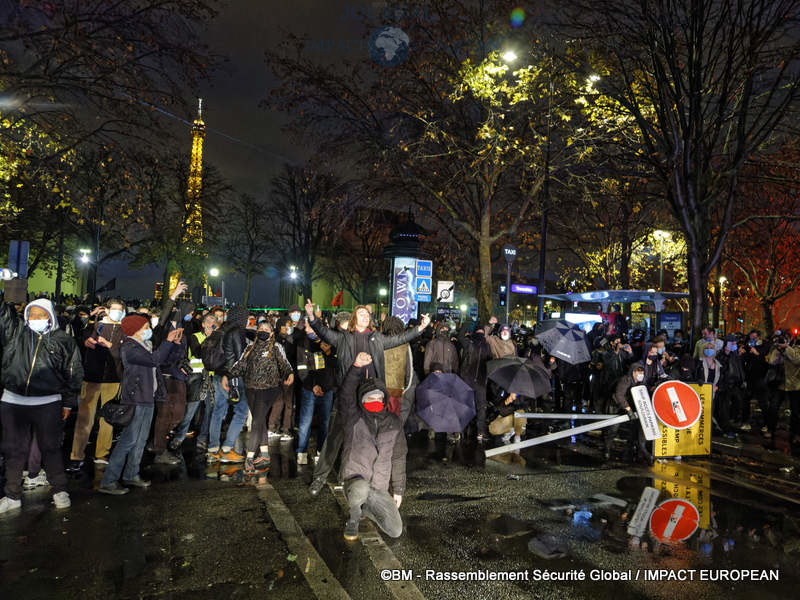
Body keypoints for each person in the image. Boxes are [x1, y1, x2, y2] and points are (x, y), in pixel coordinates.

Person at [306, 301, 429, 497]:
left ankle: (355, 479)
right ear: (355, 319)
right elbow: (323, 332)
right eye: (361, 314)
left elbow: (400, 338)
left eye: (367, 315)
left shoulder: (377, 338)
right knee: (335, 437)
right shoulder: (344, 338)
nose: (365, 316)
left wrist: (421, 328)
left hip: (371, 395)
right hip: (348, 395)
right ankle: (319, 477)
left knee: (367, 437)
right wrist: (312, 317)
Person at [0, 298, 83, 514]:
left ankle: (59, 490)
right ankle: (11, 495)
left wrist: (68, 403)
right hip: (13, 401)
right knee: (13, 450)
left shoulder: (63, 340)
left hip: (47, 403)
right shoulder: (16, 333)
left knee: (51, 447)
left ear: (50, 316)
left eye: (40, 314)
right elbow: (3, 313)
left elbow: (73, 373)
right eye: (31, 314)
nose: (35, 318)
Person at [99, 315, 183, 495]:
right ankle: (109, 480)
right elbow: (155, 360)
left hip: (147, 398)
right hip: (135, 399)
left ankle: (131, 474)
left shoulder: (145, 345)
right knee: (128, 441)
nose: (148, 329)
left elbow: (163, 361)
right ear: (135, 330)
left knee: (140, 440)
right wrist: (167, 341)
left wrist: (174, 344)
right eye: (145, 326)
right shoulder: (129, 347)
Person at [339, 352, 405, 542]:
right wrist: (356, 367)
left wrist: (398, 489)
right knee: (360, 488)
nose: (374, 401)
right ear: (362, 400)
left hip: (379, 486)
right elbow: (345, 395)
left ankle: (366, 508)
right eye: (370, 398)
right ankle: (353, 517)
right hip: (355, 481)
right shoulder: (353, 417)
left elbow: (399, 457)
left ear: (384, 400)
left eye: (378, 398)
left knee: (395, 530)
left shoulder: (393, 423)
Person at [66, 298, 125, 472]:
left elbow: (122, 353)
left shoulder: (124, 329)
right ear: (106, 310)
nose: (117, 313)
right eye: (114, 309)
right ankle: (76, 455)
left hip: (114, 379)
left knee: (108, 419)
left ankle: (102, 453)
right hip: (91, 377)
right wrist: (89, 340)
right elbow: (84, 341)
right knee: (85, 418)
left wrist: (110, 346)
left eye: (120, 310)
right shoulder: (96, 326)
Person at [230, 319, 294, 474]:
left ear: (272, 333)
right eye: (260, 328)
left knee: (257, 421)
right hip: (251, 388)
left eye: (267, 328)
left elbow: (284, 364)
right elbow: (240, 364)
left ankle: (250, 457)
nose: (263, 330)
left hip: (269, 389)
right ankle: (264, 454)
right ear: (256, 331)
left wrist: (289, 373)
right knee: (259, 421)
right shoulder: (250, 347)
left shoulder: (276, 347)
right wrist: (228, 375)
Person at [151, 283, 193, 465]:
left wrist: (184, 363)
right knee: (163, 414)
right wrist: (174, 294)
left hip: (178, 377)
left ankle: (158, 439)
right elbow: (166, 312)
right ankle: (159, 448)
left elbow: (183, 353)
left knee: (177, 413)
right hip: (163, 376)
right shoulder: (161, 330)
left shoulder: (183, 332)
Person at [208, 305, 252, 463]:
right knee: (241, 412)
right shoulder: (237, 331)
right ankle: (226, 449)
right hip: (233, 377)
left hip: (219, 375)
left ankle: (213, 449)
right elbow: (239, 358)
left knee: (218, 411)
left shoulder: (223, 329)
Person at [169, 312, 218, 452]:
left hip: (212, 378)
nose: (211, 324)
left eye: (214, 321)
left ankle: (202, 439)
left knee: (209, 411)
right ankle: (179, 437)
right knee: (190, 410)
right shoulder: (195, 337)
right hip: (197, 378)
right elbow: (198, 353)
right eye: (208, 321)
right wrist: (210, 339)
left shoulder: (218, 337)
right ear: (202, 324)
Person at [296, 320, 336, 465]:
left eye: (309, 327)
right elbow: (302, 369)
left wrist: (328, 352)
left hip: (327, 389)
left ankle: (321, 451)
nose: (307, 330)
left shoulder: (330, 342)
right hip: (309, 389)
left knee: (325, 422)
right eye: (306, 327)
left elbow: (334, 366)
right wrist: (312, 385)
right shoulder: (303, 343)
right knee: (305, 422)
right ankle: (301, 452)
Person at [605, 364, 650, 463]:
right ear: (633, 372)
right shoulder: (625, 380)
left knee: (633, 430)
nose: (641, 374)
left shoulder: (639, 383)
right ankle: (607, 450)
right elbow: (619, 395)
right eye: (639, 372)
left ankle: (628, 451)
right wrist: (628, 409)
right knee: (613, 429)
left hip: (627, 406)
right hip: (615, 406)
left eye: (642, 372)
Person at [457, 321, 493, 441]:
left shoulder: (479, 344)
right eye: (479, 331)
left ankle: (470, 431)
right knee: (479, 407)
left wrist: (467, 323)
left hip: (473, 381)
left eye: (481, 331)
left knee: (475, 407)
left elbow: (460, 336)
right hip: (475, 382)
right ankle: (476, 431)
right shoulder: (474, 344)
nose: (480, 333)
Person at [766, 333, 800, 445]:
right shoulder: (776, 348)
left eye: (786, 339)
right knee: (773, 407)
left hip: (794, 384)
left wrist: (786, 348)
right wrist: (778, 350)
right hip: (779, 384)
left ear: (790, 339)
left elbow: (796, 359)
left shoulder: (796, 347)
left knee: (796, 411)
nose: (784, 341)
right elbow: (771, 361)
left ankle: (795, 433)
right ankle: (771, 429)